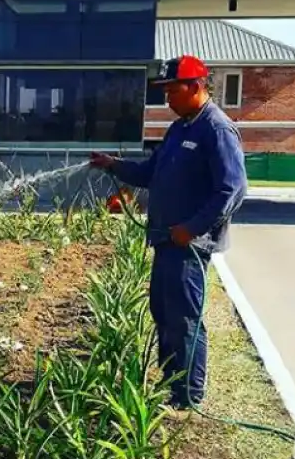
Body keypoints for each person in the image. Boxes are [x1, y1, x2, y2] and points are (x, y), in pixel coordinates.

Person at [89, 54, 248, 411]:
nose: (167, 98)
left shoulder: (216, 129)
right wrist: (113, 165)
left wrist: (191, 229)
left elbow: (232, 189)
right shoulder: (180, 128)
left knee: (184, 318)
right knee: (163, 312)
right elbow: (151, 173)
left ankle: (187, 395)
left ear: (195, 87)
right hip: (165, 239)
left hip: (188, 246)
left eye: (172, 90)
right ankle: (171, 380)